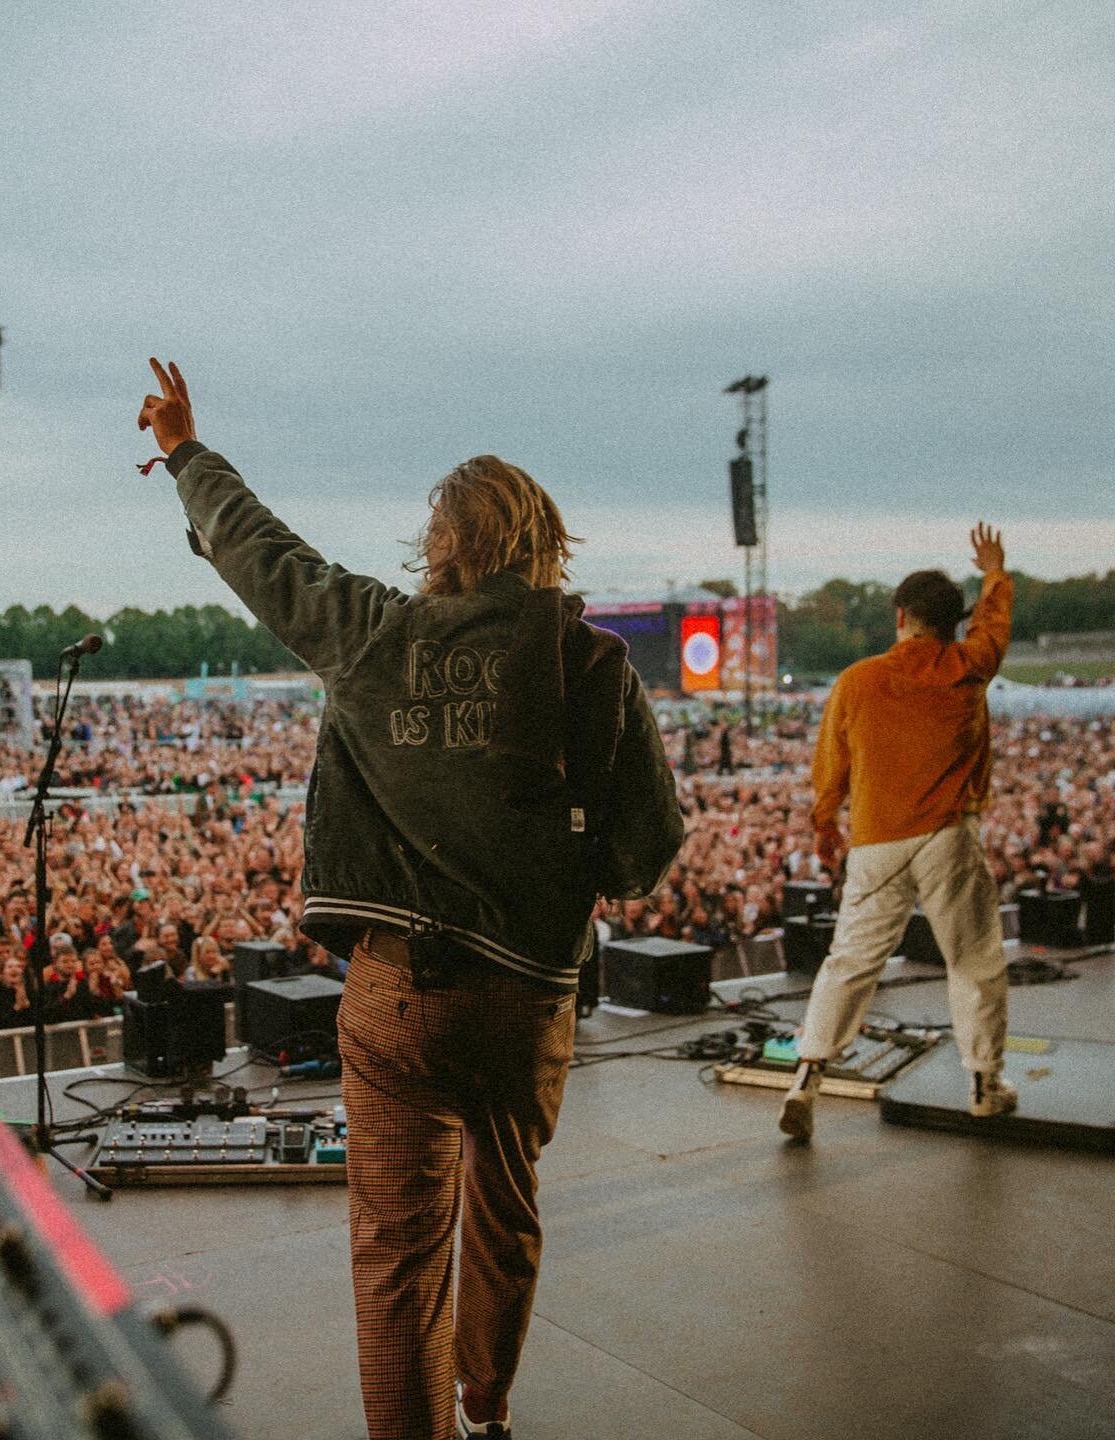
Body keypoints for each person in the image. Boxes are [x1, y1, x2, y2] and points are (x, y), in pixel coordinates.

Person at [138, 358, 683, 1440]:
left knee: (395, 1260)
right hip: (526, 1001)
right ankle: (490, 1409)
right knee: (505, 1209)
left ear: (440, 551)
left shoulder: (377, 634)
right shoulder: (595, 665)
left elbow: (261, 552)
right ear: (542, 545)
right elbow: (640, 855)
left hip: (392, 1000)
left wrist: (188, 452)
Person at [779, 524, 1017, 1142]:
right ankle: (984, 1086)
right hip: (947, 837)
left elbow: (831, 763)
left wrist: (825, 822)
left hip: (877, 839)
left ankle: (806, 1077)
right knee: (974, 960)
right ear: (950, 622)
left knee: (850, 962)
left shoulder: (858, 681)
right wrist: (994, 573)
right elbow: (993, 630)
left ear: (902, 617)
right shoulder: (968, 667)